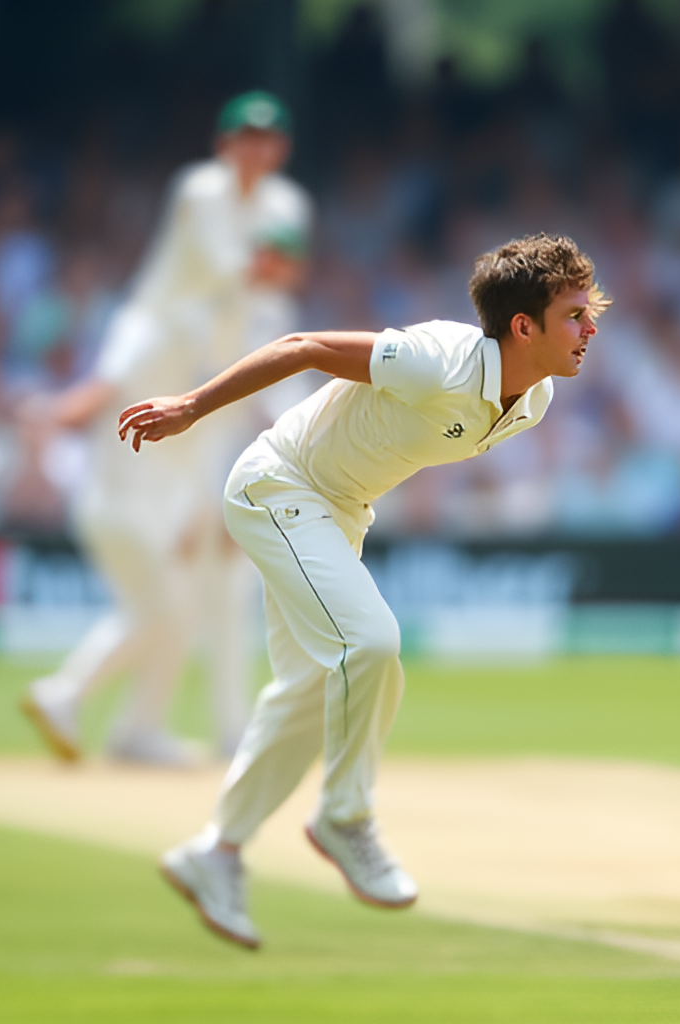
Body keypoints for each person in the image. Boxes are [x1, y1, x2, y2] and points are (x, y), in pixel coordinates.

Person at [116, 233, 607, 948]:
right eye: (574, 314)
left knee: (307, 695)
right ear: (523, 326)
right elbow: (303, 345)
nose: (591, 327)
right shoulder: (438, 356)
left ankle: (214, 853)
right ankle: (344, 817)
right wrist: (192, 407)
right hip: (277, 485)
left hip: (340, 514)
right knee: (371, 645)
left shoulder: (535, 402)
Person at [20, 91, 313, 765]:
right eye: (244, 136)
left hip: (212, 408)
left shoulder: (283, 221)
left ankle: (178, 728)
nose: (255, 150)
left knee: (225, 582)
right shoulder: (164, 294)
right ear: (223, 142)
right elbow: (229, 269)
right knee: (175, 599)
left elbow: (275, 288)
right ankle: (106, 710)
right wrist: (61, 412)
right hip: (174, 418)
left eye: (268, 139)